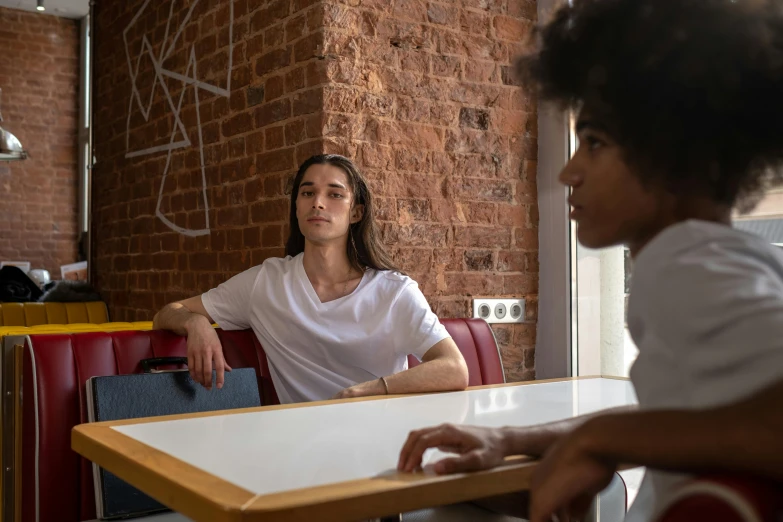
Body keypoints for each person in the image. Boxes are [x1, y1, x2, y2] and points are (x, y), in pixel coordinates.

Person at [397, 0, 783, 520]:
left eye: (595, 142)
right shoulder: (735, 259)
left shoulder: (684, 264)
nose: (567, 174)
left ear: (682, 153)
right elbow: (674, 419)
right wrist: (510, 435)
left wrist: (599, 439)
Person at [153, 154, 469, 404]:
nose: (318, 202)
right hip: (301, 449)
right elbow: (170, 310)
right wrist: (196, 324)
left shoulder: (394, 292)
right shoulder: (265, 284)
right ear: (297, 206)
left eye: (334, 194)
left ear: (356, 213)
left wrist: (362, 392)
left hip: (382, 440)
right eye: (308, 192)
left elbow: (454, 368)